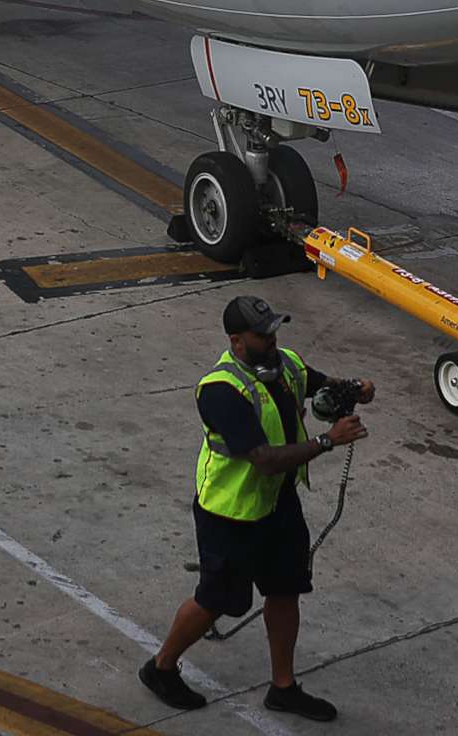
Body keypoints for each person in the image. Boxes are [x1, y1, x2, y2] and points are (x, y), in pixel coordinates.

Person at [140, 295, 369, 724]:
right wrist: (327, 441)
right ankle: (161, 667)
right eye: (262, 336)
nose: (272, 341)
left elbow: (320, 383)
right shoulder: (220, 390)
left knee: (285, 590)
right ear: (237, 341)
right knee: (215, 600)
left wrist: (353, 389)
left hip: (278, 503)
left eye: (274, 332)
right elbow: (263, 459)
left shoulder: (287, 364)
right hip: (230, 513)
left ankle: (283, 688)